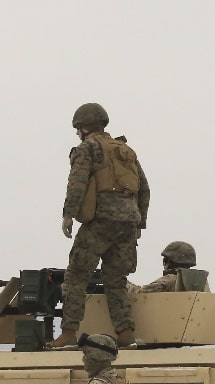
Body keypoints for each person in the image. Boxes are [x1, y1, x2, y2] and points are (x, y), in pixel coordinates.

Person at [52, 103, 151, 350]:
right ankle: (126, 335)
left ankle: (68, 333)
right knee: (116, 280)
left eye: (78, 129)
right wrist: (140, 223)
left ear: (85, 127)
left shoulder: (87, 149)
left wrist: (68, 215)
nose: (77, 134)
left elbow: (77, 183)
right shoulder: (126, 151)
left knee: (76, 276)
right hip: (128, 222)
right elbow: (145, 189)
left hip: (100, 221)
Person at [128, 241, 211, 294]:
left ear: (170, 262)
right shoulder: (202, 284)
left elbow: (139, 294)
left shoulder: (170, 280)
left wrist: (122, 283)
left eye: (165, 261)